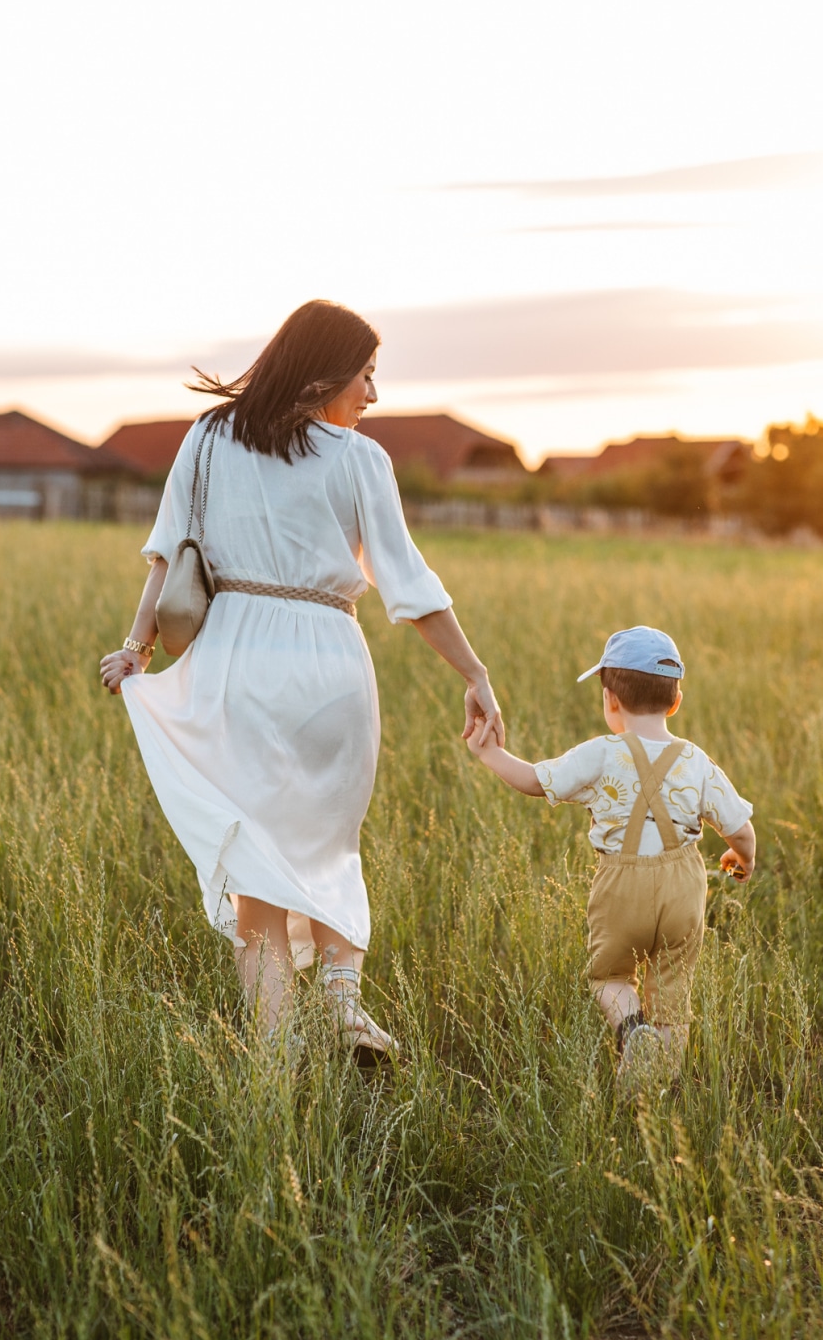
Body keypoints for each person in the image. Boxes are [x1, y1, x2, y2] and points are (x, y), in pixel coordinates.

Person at [100, 300, 503, 1058]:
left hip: (235, 663)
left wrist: (137, 648)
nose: (372, 395)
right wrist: (474, 671)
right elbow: (410, 587)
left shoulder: (209, 438)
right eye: (366, 376)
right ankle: (344, 1006)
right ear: (324, 373)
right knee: (330, 844)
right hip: (329, 664)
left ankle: (275, 1060)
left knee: (259, 869)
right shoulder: (360, 460)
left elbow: (168, 555)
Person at [465, 625, 754, 1087]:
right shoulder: (696, 760)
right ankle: (654, 1090)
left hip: (621, 886)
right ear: (676, 702)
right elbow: (740, 828)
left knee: (611, 978)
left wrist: (489, 754)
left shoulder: (601, 754)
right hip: (683, 887)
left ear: (611, 700)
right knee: (672, 993)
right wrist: (742, 858)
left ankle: (632, 1030)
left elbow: (535, 781)